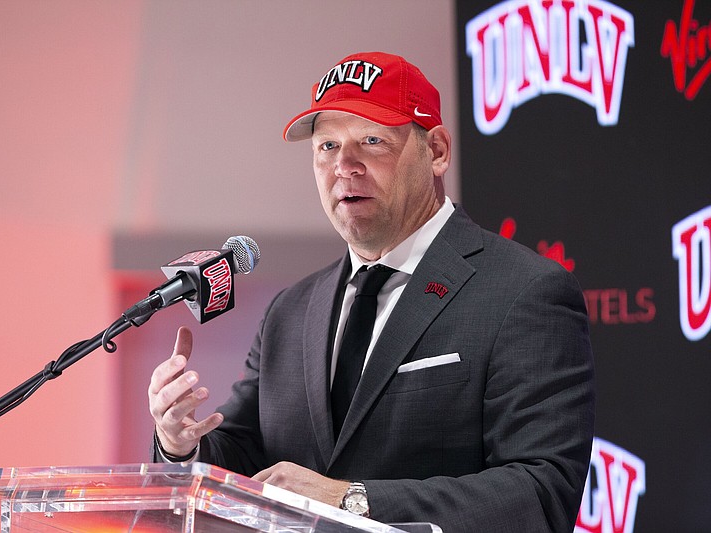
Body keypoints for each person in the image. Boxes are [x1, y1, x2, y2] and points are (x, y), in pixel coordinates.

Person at [148, 51, 595, 532]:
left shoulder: (524, 291)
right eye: (326, 147)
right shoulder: (291, 311)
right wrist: (180, 443)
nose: (345, 165)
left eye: (372, 140)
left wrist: (349, 500)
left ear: (438, 151)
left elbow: (541, 492)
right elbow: (241, 455)